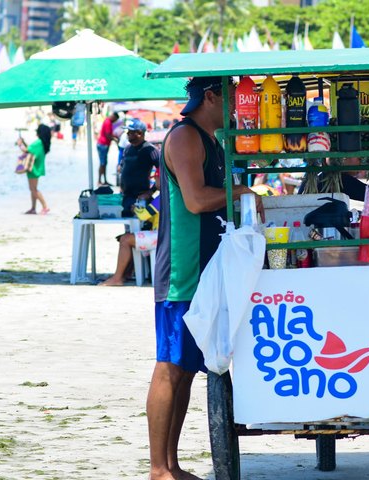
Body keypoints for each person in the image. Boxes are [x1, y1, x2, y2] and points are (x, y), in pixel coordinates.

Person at [147, 76, 263, 480]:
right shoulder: (185, 137)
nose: (236, 105)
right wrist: (242, 192)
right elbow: (195, 200)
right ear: (210, 96)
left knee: (188, 371)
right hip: (183, 270)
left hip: (206, 269)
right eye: (231, 97)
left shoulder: (212, 140)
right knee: (170, 366)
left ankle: (172, 464)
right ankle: (159, 468)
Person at [100, 197, 159, 287]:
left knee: (125, 240)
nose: (155, 184)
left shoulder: (161, 198)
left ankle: (117, 278)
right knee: (129, 238)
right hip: (164, 234)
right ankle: (125, 274)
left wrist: (135, 209)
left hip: (160, 236)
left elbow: (143, 215)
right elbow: (152, 217)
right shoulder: (170, 196)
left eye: (156, 182)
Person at [119, 118, 159, 216]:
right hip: (126, 197)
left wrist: (150, 192)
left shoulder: (150, 150)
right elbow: (123, 167)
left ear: (140, 133)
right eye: (128, 132)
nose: (127, 134)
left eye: (130, 132)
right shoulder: (127, 149)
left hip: (141, 198)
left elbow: (163, 172)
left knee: (142, 228)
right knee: (129, 226)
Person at [18, 124, 52, 215]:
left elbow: (26, 150)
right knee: (33, 189)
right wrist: (24, 143)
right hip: (37, 167)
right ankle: (33, 208)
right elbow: (31, 150)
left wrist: (20, 144)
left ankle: (45, 206)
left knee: (33, 189)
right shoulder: (42, 143)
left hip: (33, 168)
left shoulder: (38, 142)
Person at [96, 111, 120, 185]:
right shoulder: (108, 122)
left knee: (104, 163)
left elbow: (109, 134)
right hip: (103, 144)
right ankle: (100, 181)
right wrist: (115, 140)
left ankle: (104, 180)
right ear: (114, 117)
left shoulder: (108, 121)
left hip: (103, 144)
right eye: (115, 120)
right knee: (103, 163)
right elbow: (107, 135)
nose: (114, 121)